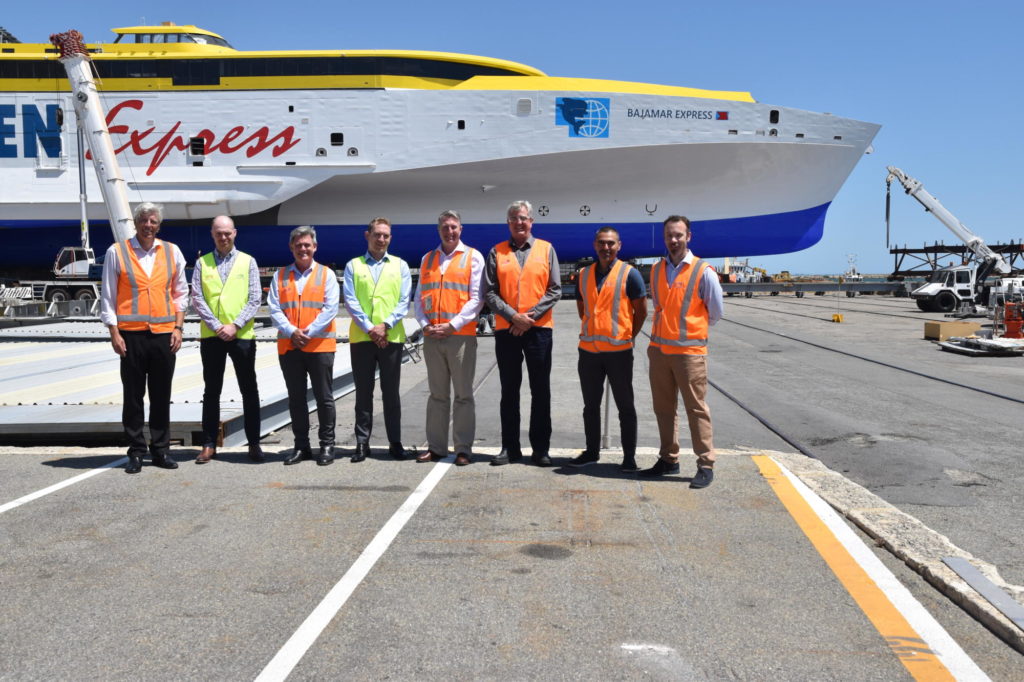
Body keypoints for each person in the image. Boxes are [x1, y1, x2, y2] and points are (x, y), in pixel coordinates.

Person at [100, 202, 188, 474]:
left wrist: (178, 328)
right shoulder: (117, 252)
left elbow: (180, 293)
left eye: (153, 221)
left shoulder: (172, 252)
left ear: (158, 225)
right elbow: (108, 296)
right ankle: (136, 451)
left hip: (164, 336)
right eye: (144, 221)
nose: (148, 226)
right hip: (131, 336)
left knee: (162, 395)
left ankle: (161, 450)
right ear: (135, 223)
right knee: (133, 396)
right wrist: (114, 333)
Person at [643, 215, 723, 489]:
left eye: (678, 235)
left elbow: (715, 313)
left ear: (689, 237)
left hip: (690, 353)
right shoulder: (655, 270)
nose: (673, 240)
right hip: (659, 352)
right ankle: (668, 459)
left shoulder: (704, 271)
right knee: (664, 409)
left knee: (696, 409)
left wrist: (690, 332)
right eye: (669, 236)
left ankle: (705, 464)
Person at [485, 200, 561, 467]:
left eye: (524, 218)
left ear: (532, 222)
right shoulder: (496, 252)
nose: (519, 222)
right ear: (508, 223)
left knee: (541, 390)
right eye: (514, 218)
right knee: (509, 391)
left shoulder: (546, 249)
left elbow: (555, 289)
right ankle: (510, 448)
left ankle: (540, 449)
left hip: (538, 330)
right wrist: (513, 316)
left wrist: (528, 318)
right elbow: (490, 291)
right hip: (508, 331)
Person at [569, 227, 648, 471]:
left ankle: (629, 458)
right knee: (590, 406)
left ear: (619, 246)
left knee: (626, 406)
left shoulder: (630, 274)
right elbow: (583, 308)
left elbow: (641, 311)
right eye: (602, 243)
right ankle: (591, 452)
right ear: (595, 245)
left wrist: (627, 335)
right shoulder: (582, 275)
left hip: (619, 353)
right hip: (589, 352)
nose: (606, 248)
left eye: (611, 243)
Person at [413, 210, 485, 466]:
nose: (450, 231)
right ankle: (436, 447)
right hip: (433, 336)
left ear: (461, 229)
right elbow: (419, 298)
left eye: (454, 227)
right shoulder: (427, 259)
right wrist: (424, 325)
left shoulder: (473, 257)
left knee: (463, 394)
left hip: (460, 336)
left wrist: (452, 325)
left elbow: (477, 298)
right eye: (445, 227)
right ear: (439, 230)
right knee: (437, 395)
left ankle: (463, 448)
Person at [191, 215, 264, 464]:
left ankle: (254, 443)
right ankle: (209, 444)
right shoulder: (203, 263)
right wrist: (217, 326)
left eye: (227, 233)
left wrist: (235, 325)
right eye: (218, 233)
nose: (223, 237)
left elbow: (255, 298)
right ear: (212, 234)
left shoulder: (248, 262)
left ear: (235, 233)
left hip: (241, 335)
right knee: (211, 391)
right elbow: (197, 298)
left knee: (249, 390)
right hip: (212, 336)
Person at [268, 226, 339, 466]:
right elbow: (274, 308)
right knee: (296, 398)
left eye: (307, 245)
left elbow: (330, 309)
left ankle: (327, 445)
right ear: (291, 248)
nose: (303, 249)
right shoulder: (280, 276)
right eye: (298, 245)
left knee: (324, 398)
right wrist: (292, 331)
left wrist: (308, 332)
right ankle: (302, 446)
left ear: (314, 247)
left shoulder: (326, 274)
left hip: (319, 345)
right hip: (290, 346)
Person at [342, 217, 412, 462]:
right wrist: (371, 328)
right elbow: (350, 301)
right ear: (367, 236)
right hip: (362, 338)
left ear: (390, 238)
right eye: (377, 235)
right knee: (363, 393)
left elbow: (404, 300)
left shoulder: (400, 266)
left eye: (386, 235)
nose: (381, 239)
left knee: (391, 393)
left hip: (391, 337)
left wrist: (385, 326)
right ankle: (362, 443)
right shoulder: (353, 266)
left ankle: (395, 442)